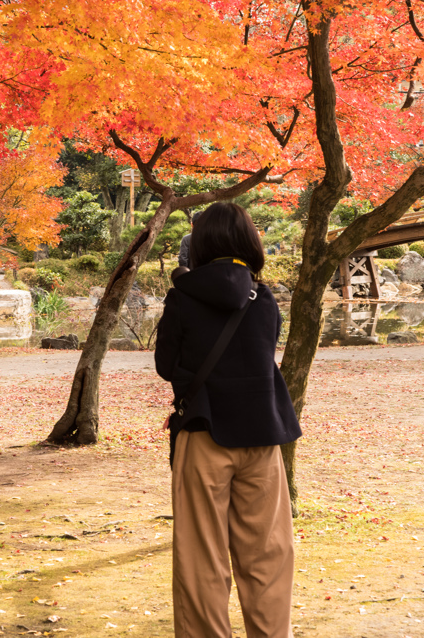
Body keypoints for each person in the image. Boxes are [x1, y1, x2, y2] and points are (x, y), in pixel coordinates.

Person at [155, 202, 302, 638]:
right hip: (262, 433)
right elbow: (261, 354)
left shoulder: (182, 296)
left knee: (203, 557)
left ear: (200, 243)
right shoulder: (264, 297)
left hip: (205, 433)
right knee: (269, 555)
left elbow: (167, 364)